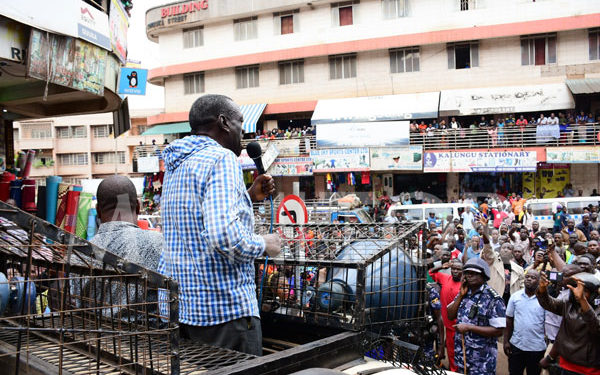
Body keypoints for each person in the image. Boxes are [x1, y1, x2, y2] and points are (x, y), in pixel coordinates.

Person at [158, 94, 281, 355]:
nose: (244, 131)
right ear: (224, 123)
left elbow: (194, 219)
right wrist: (264, 245)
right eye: (240, 122)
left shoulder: (177, 163)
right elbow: (224, 236)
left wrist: (248, 196)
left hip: (185, 312)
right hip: (224, 312)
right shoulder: (221, 159)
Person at [90, 175, 165, 321]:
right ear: (138, 207)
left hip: (92, 338)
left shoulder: (78, 253)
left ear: (98, 210)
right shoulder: (159, 244)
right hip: (150, 340)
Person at [447, 257, 506, 375]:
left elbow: (499, 331)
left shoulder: (493, 298)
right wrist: (460, 296)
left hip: (482, 361)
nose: (469, 276)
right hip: (462, 356)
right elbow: (450, 315)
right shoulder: (464, 293)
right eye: (467, 273)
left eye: (474, 273)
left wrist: (469, 328)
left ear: (483, 276)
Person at [537, 271, 600, 375]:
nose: (578, 293)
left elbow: (596, 327)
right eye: (576, 289)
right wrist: (543, 289)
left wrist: (583, 301)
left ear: (594, 294)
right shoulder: (569, 304)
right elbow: (549, 304)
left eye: (585, 291)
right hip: (566, 364)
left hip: (589, 369)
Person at [504, 270, 547, 375]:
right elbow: (509, 319)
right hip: (517, 345)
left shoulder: (545, 300)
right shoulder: (515, 297)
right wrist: (506, 341)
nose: (529, 279)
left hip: (536, 348)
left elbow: (548, 324)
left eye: (533, 278)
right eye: (527, 276)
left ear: (538, 281)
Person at [429, 259, 463, 372]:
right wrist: (441, 267)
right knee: (449, 351)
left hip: (457, 326)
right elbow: (431, 273)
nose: (455, 271)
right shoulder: (446, 278)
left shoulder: (464, 286)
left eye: (458, 269)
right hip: (445, 324)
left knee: (458, 353)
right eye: (453, 269)